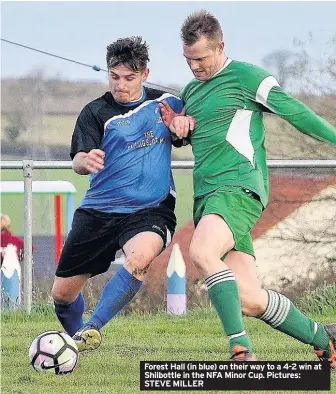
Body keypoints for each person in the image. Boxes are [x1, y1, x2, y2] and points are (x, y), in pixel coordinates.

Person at [160, 10, 336, 366]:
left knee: (202, 252)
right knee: (249, 299)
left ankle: (239, 349)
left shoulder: (248, 77)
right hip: (208, 198)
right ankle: (324, 338)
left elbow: (296, 111)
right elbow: (193, 132)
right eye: (188, 59)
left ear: (220, 46)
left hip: (238, 188)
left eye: (201, 58)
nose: (194, 67)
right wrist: (179, 126)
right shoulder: (192, 91)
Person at [51, 36, 186, 352]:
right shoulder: (95, 112)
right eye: (114, 77)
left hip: (151, 208)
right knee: (62, 295)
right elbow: (78, 161)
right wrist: (86, 160)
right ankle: (77, 343)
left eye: (129, 78)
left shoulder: (168, 104)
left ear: (145, 75)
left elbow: (187, 131)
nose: (121, 85)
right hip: (99, 210)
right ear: (108, 72)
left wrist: (185, 124)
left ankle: (91, 330)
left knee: (140, 258)